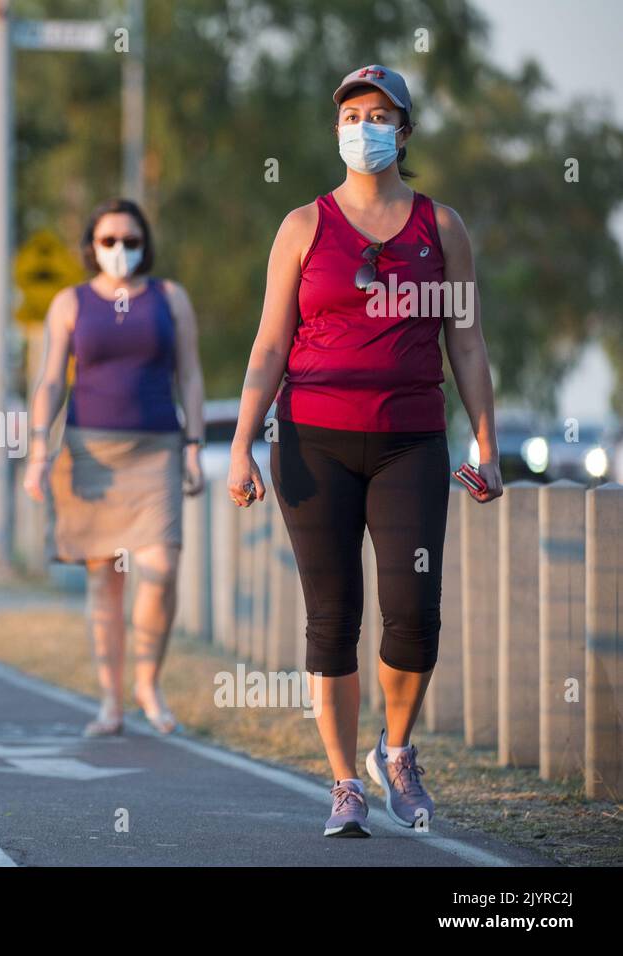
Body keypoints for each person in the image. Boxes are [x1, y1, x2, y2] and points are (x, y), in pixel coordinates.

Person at [227, 66, 502, 837]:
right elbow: (270, 342)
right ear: (336, 128)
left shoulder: (439, 229)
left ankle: (399, 751)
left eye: (380, 115)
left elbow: (468, 345)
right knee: (331, 618)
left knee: (414, 615)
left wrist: (488, 443)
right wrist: (241, 444)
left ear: (405, 132)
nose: (364, 126)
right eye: (352, 114)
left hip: (410, 442)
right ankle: (345, 782)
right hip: (313, 444)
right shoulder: (302, 227)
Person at [23, 198, 206, 737]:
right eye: (108, 241)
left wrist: (194, 443)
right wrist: (38, 452)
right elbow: (52, 380)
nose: (120, 250)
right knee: (105, 580)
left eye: (130, 240)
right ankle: (110, 701)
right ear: (91, 247)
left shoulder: (170, 299)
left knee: (161, 567)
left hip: (157, 451)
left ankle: (147, 681)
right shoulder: (70, 302)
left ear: (145, 244)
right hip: (90, 454)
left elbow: (190, 376)